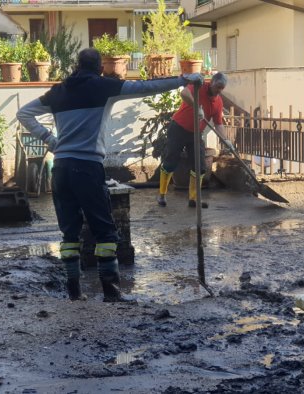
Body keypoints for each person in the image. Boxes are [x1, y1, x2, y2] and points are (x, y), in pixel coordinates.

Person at [17, 48, 202, 302]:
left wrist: (50, 140)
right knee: (104, 232)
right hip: (87, 168)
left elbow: (23, 113)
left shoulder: (58, 92)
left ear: (77, 65)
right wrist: (184, 80)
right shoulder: (104, 87)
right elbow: (146, 88)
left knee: (70, 234)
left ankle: (74, 292)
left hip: (61, 169)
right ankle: (111, 293)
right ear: (100, 68)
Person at [157, 72, 227, 209]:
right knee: (171, 161)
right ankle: (162, 195)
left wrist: (225, 140)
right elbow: (183, 93)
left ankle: (194, 199)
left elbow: (219, 124)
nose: (219, 90)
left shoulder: (218, 102)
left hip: (195, 133)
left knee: (200, 167)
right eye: (218, 86)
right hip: (178, 128)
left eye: (222, 88)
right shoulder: (198, 86)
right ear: (211, 82)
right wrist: (196, 106)